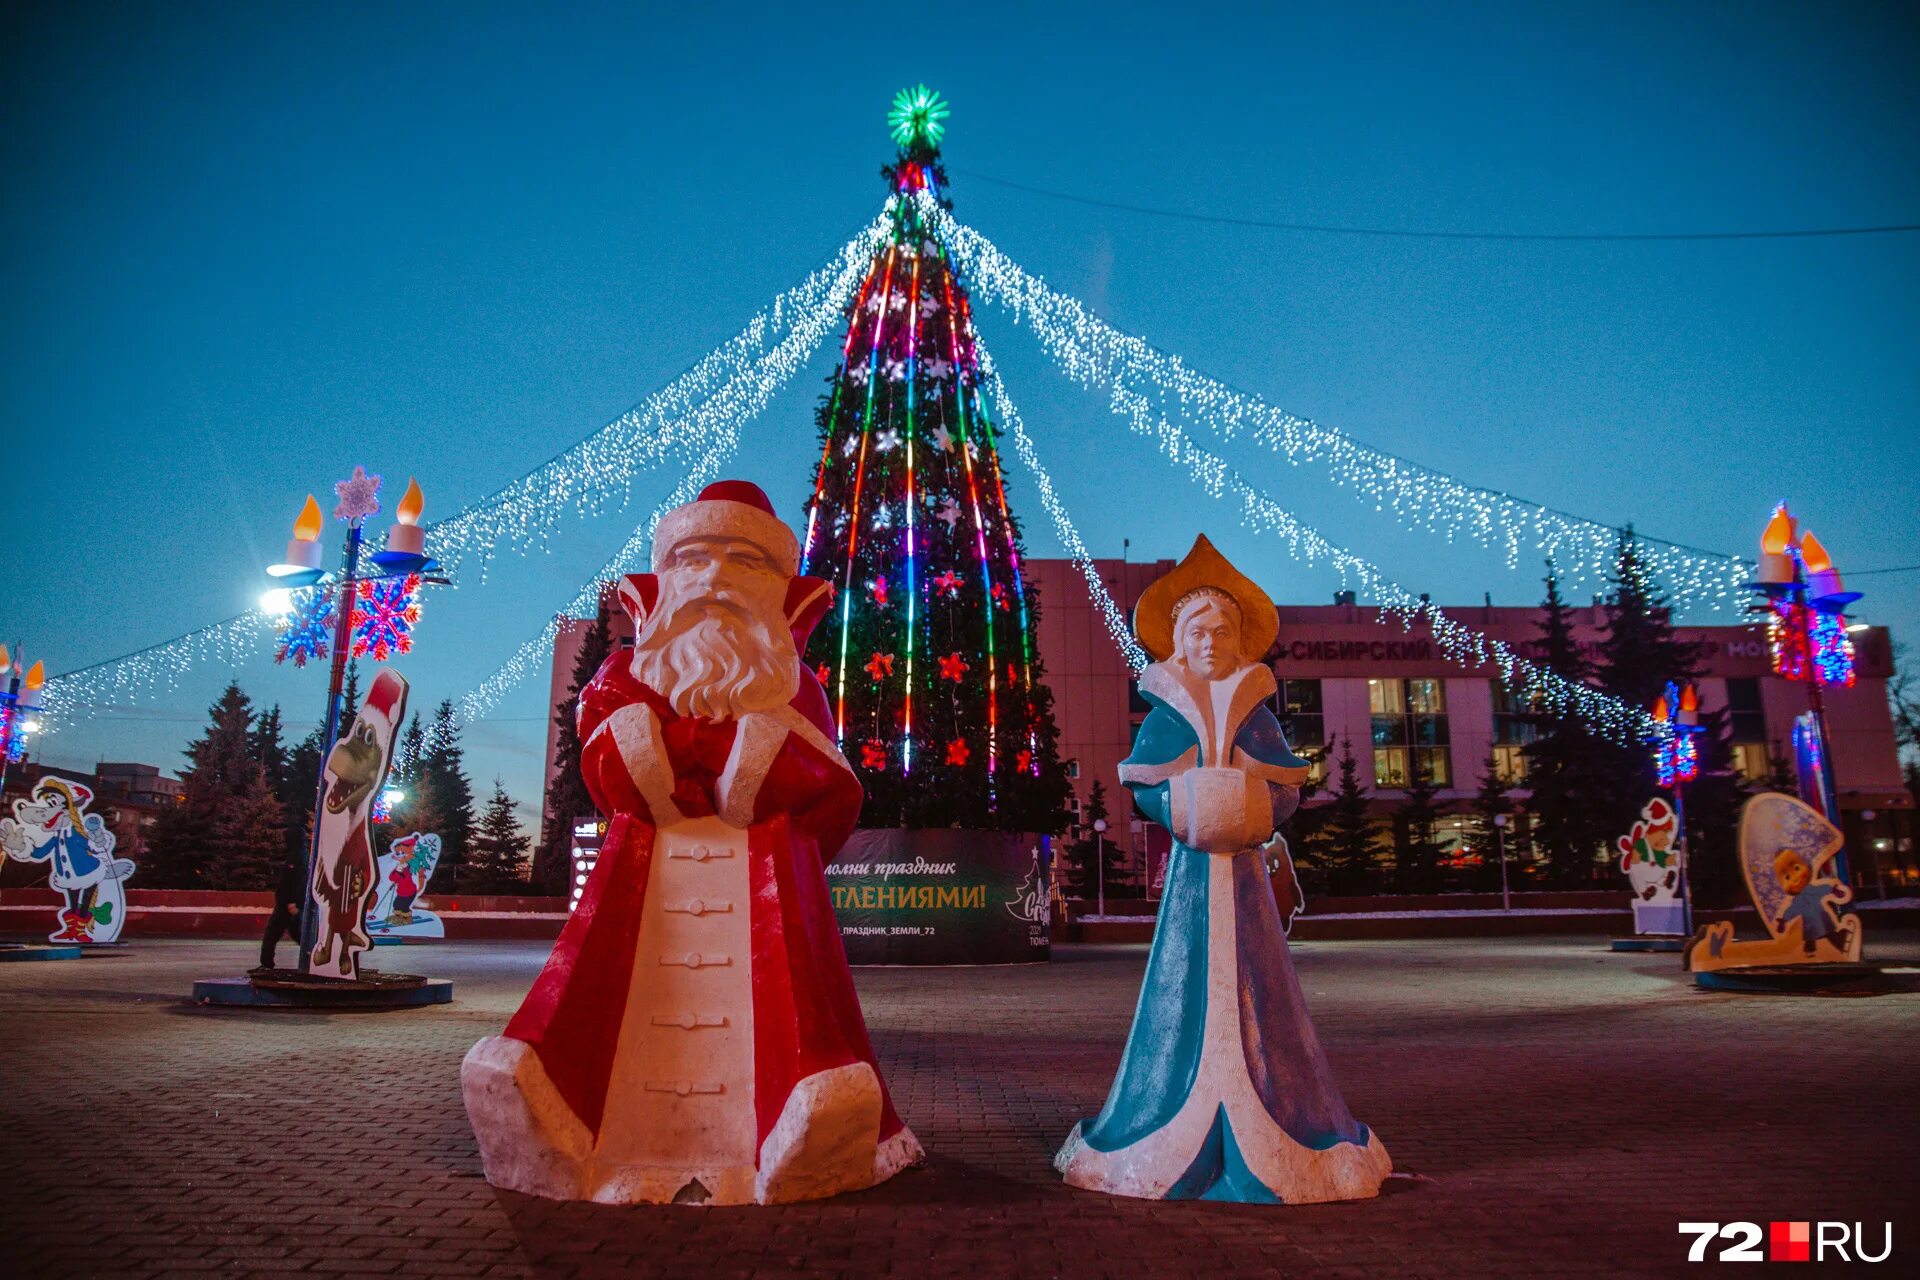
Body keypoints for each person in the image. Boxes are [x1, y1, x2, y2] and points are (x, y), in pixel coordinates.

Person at [463, 480, 920, 1206]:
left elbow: (827, 782)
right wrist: (656, 751)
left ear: (780, 590)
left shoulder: (793, 686)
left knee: (795, 1008)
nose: (713, 577)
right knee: (595, 987)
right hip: (644, 883)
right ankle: (555, 1102)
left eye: (743, 560)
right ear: (662, 576)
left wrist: (753, 759)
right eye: (693, 557)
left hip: (764, 883)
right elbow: (606, 759)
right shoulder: (627, 679)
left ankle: (803, 1113)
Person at [1055, 533, 1390, 1204]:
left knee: (1261, 993)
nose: (1211, 641)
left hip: (1244, 888)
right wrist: (1182, 802)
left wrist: (1256, 806)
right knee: (1180, 991)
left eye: (1223, 629)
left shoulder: (1255, 713)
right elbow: (1147, 783)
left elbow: (1286, 784)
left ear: (1242, 640)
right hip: (1189, 888)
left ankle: (1281, 1116)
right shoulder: (1166, 712)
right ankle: (1165, 1111)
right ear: (1177, 642)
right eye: (1197, 630)